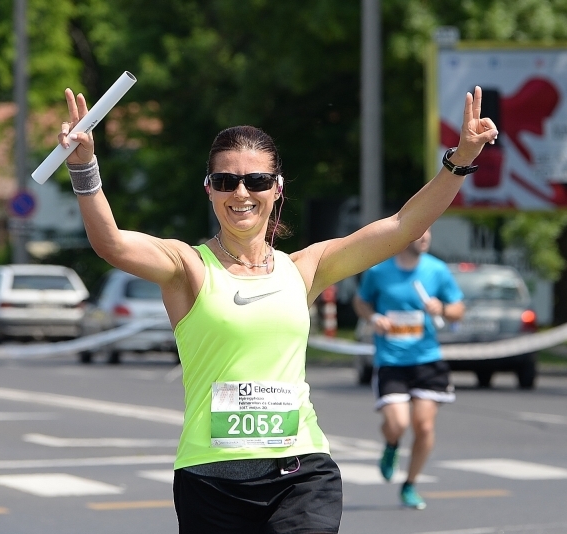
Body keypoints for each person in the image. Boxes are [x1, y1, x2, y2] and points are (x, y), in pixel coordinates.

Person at [53, 84, 496, 532]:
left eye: (256, 181)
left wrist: (460, 159)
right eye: (226, 181)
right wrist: (84, 164)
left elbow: (403, 226)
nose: (241, 192)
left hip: (300, 474)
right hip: (210, 480)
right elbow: (110, 243)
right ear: (209, 189)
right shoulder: (186, 266)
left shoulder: (305, 268)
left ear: (276, 187)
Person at [351, 228, 464, 510]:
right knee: (398, 424)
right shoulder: (379, 271)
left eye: (429, 233)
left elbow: (458, 310)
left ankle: (410, 484)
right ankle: (391, 445)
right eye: (419, 233)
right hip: (391, 361)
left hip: (427, 358)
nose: (425, 238)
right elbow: (360, 302)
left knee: (424, 426)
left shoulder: (437, 270)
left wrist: (442, 309)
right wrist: (374, 317)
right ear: (404, 237)